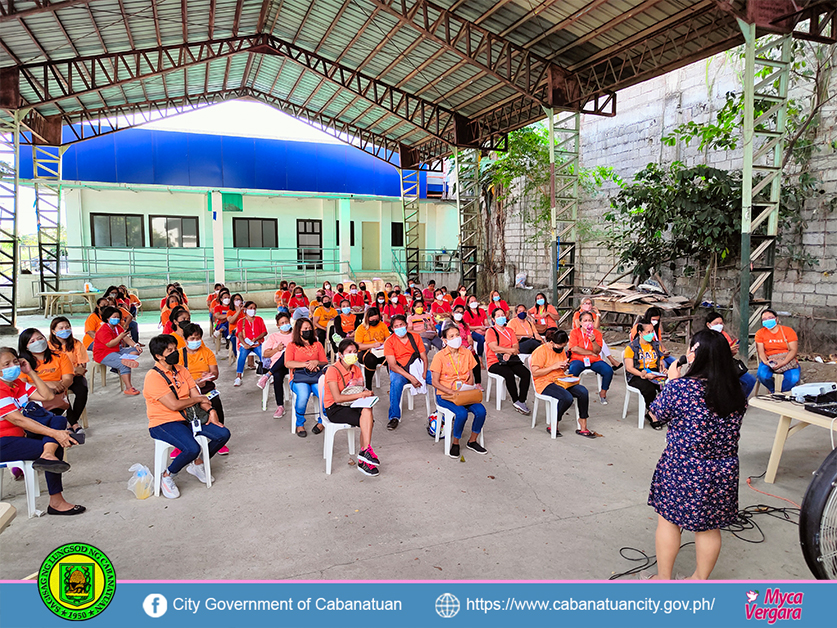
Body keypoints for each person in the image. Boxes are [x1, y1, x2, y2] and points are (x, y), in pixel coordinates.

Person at [645, 329, 747, 580]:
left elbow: (655, 416)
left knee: (669, 521)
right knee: (709, 528)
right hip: (723, 469)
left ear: (696, 354)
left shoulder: (681, 388)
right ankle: (698, 581)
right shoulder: (736, 390)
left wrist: (670, 383)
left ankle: (663, 580)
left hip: (683, 466)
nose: (688, 353)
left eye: (691, 348)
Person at [0, 347, 84, 514]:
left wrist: (30, 373)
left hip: (20, 437)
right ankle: (56, 501)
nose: (12, 366)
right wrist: (55, 434)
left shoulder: (18, 384)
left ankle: (48, 454)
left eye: (15, 362)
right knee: (55, 445)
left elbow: (48, 396)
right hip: (3, 442)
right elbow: (17, 419)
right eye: (6, 364)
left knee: (59, 419)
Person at [144, 335, 230, 499]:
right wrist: (198, 400)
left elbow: (197, 394)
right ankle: (167, 475)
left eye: (175, 348)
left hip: (189, 417)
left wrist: (211, 411)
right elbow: (174, 405)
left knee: (223, 434)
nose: (174, 352)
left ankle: (198, 463)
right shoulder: (153, 377)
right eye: (169, 350)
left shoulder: (181, 370)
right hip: (164, 422)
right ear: (158, 356)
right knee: (191, 448)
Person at [429, 322, 488, 458]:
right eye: (452, 336)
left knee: (481, 411)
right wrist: (452, 392)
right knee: (461, 414)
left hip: (464, 392)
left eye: (457, 335)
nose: (456, 338)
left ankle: (472, 441)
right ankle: (455, 443)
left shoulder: (466, 353)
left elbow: (471, 375)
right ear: (444, 340)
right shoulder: (440, 357)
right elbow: (435, 382)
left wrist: (468, 386)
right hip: (446, 394)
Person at [325, 339, 380, 476]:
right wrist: (361, 394)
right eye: (349, 352)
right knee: (366, 420)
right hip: (335, 408)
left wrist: (366, 393)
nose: (353, 355)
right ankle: (365, 458)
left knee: (367, 410)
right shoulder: (332, 370)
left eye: (355, 352)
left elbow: (359, 388)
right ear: (340, 354)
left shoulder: (356, 369)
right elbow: (337, 398)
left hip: (352, 404)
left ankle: (365, 453)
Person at [529, 330, 593, 438]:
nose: (561, 348)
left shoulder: (561, 350)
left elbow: (561, 367)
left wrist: (564, 367)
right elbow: (535, 372)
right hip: (544, 382)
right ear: (552, 342)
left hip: (560, 379)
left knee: (583, 392)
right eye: (559, 346)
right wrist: (553, 367)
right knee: (566, 398)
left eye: (564, 346)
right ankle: (554, 423)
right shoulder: (541, 351)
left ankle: (583, 425)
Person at [181, 323, 228, 455]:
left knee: (216, 404)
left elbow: (215, 373)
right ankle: (182, 443)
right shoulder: (180, 354)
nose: (195, 341)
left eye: (197, 338)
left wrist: (209, 377)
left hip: (206, 386)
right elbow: (176, 377)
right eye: (192, 339)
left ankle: (220, 437)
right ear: (185, 339)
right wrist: (193, 383)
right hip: (188, 389)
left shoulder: (206, 352)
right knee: (183, 411)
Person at [19, 328, 77, 426]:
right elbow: (22, 385)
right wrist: (48, 384)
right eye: (32, 341)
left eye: (40, 338)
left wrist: (60, 387)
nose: (37, 342)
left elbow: (68, 379)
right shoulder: (23, 363)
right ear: (26, 347)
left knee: (54, 416)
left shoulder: (61, 356)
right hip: (33, 397)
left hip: (56, 394)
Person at [383, 315, 428, 431]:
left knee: (436, 378)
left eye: (401, 325)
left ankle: (444, 408)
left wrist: (424, 373)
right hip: (400, 370)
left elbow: (424, 357)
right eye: (396, 326)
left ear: (406, 325)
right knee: (396, 383)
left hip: (417, 368)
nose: (399, 328)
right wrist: (411, 378)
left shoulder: (415, 337)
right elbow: (392, 365)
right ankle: (394, 416)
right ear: (392, 329)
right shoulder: (389, 342)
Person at [285, 318, 328, 437]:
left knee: (325, 393)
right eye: (305, 329)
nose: (308, 331)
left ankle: (322, 421)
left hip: (315, 376)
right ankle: (299, 423)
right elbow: (288, 363)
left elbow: (324, 362)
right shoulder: (292, 345)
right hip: (298, 378)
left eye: (309, 328)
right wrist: (307, 364)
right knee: (303, 395)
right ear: (299, 331)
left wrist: (316, 362)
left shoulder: (317, 344)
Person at [486, 307, 531, 415]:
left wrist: (508, 352)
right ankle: (516, 400)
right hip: (495, 361)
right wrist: (509, 350)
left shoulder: (510, 331)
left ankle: (521, 400)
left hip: (510, 359)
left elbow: (516, 347)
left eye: (502, 315)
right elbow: (494, 348)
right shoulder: (490, 331)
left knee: (526, 373)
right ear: (493, 319)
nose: (501, 318)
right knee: (509, 374)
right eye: (498, 316)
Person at [48, 317, 89, 434]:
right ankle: (75, 424)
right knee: (61, 391)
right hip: (56, 378)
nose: (65, 330)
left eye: (67, 327)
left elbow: (81, 368)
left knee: (82, 390)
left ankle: (71, 422)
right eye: (61, 328)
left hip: (75, 376)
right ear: (53, 331)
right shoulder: (48, 346)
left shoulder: (76, 344)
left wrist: (69, 372)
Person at [624, 319, 667, 429]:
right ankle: (652, 414)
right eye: (648, 332)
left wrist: (663, 369)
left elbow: (661, 361)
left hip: (653, 372)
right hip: (637, 374)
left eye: (652, 331)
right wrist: (643, 375)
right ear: (640, 333)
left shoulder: (655, 345)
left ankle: (663, 412)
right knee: (649, 389)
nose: (651, 334)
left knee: (668, 386)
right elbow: (629, 368)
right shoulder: (631, 347)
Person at [705, 311, 757, 397]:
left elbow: (728, 354)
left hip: (728, 363)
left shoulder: (724, 335)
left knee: (749, 380)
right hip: (712, 366)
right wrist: (727, 351)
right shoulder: (704, 337)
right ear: (708, 324)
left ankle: (740, 400)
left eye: (721, 323)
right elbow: (706, 355)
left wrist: (732, 352)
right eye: (716, 323)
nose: (719, 325)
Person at [93, 306, 143, 395]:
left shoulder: (117, 327)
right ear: (107, 318)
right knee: (124, 364)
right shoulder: (103, 330)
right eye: (114, 317)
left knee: (136, 351)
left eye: (118, 317)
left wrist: (136, 345)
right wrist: (120, 337)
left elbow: (126, 338)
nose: (116, 319)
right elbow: (110, 344)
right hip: (103, 354)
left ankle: (125, 359)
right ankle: (129, 388)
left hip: (117, 350)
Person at [567, 311, 614, 405]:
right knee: (573, 370)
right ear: (580, 322)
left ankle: (603, 393)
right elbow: (574, 348)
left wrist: (593, 341)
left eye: (590, 320)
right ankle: (570, 393)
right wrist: (589, 352)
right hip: (578, 359)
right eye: (585, 320)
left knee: (608, 370)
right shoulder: (574, 332)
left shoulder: (596, 333)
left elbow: (597, 351)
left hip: (594, 360)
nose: (588, 323)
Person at [754, 309, 800, 393]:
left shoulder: (788, 331)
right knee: (763, 376)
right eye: (764, 319)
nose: (767, 320)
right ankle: (773, 392)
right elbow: (760, 351)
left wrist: (783, 362)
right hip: (769, 360)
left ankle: (781, 393)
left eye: (770, 318)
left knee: (793, 378)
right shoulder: (760, 333)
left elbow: (793, 350)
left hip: (787, 359)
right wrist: (766, 362)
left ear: (777, 319)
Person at [258, 312, 294, 418]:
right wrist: (276, 349)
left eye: (286, 322)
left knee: (286, 353)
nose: (285, 324)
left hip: (292, 364)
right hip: (278, 366)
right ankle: (280, 406)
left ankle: (267, 375)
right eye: (282, 323)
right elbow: (266, 354)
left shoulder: (295, 335)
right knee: (277, 376)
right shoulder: (274, 337)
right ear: (278, 325)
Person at [572, 297, 622, 370]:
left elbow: (596, 326)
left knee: (600, 340)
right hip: (580, 335)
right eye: (586, 303)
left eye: (590, 303)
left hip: (590, 334)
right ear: (581, 305)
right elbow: (577, 326)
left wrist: (598, 314)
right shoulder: (577, 314)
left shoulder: (592, 314)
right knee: (601, 341)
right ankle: (612, 360)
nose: (588, 305)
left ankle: (607, 362)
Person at [354, 308, 391, 390]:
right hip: (365, 351)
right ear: (368, 318)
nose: (375, 321)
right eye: (372, 320)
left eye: (377, 319)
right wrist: (373, 345)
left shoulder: (382, 325)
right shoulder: (361, 328)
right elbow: (358, 346)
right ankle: (368, 387)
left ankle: (393, 383)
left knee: (391, 359)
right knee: (371, 360)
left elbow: (388, 338)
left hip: (381, 351)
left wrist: (384, 344)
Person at [234, 301, 267, 387]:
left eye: (254, 308)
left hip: (257, 343)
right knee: (242, 355)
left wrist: (256, 339)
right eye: (250, 308)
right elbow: (240, 334)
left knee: (263, 354)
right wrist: (244, 344)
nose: (253, 310)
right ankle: (238, 376)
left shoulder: (259, 319)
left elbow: (264, 332)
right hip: (245, 344)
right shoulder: (241, 321)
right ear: (245, 309)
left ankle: (267, 374)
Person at [451, 304, 482, 386]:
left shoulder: (465, 326)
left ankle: (478, 383)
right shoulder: (449, 325)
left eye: (461, 312)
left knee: (475, 359)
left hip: (467, 347)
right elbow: (449, 339)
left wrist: (471, 345)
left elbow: (469, 337)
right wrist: (460, 346)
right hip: (454, 348)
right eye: (457, 312)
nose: (459, 314)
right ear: (453, 313)